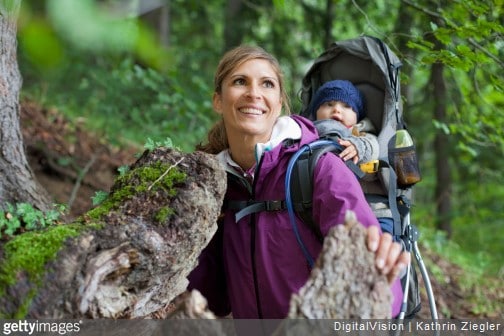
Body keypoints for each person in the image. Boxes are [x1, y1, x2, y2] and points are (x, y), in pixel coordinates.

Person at [188, 45, 409, 319]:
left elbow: (366, 255)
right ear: (218, 100)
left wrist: (378, 283)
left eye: (267, 84)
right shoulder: (212, 184)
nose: (254, 93)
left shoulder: (318, 168)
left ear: (279, 103)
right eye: (239, 81)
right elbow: (211, 297)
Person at [309, 79, 395, 237]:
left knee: (382, 239)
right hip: (324, 210)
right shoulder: (309, 136)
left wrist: (358, 147)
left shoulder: (360, 134)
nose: (336, 110)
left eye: (346, 106)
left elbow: (372, 145)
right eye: (328, 104)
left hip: (372, 208)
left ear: (357, 116)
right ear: (315, 111)